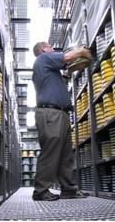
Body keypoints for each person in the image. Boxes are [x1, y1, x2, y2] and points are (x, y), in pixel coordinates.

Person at [31, 42, 92, 201]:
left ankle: (69, 189)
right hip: (51, 113)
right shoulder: (44, 58)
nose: (53, 49)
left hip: (61, 114)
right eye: (50, 46)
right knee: (51, 152)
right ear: (43, 49)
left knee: (66, 155)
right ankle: (41, 191)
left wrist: (71, 70)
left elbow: (67, 68)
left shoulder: (51, 70)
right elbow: (67, 57)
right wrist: (81, 51)